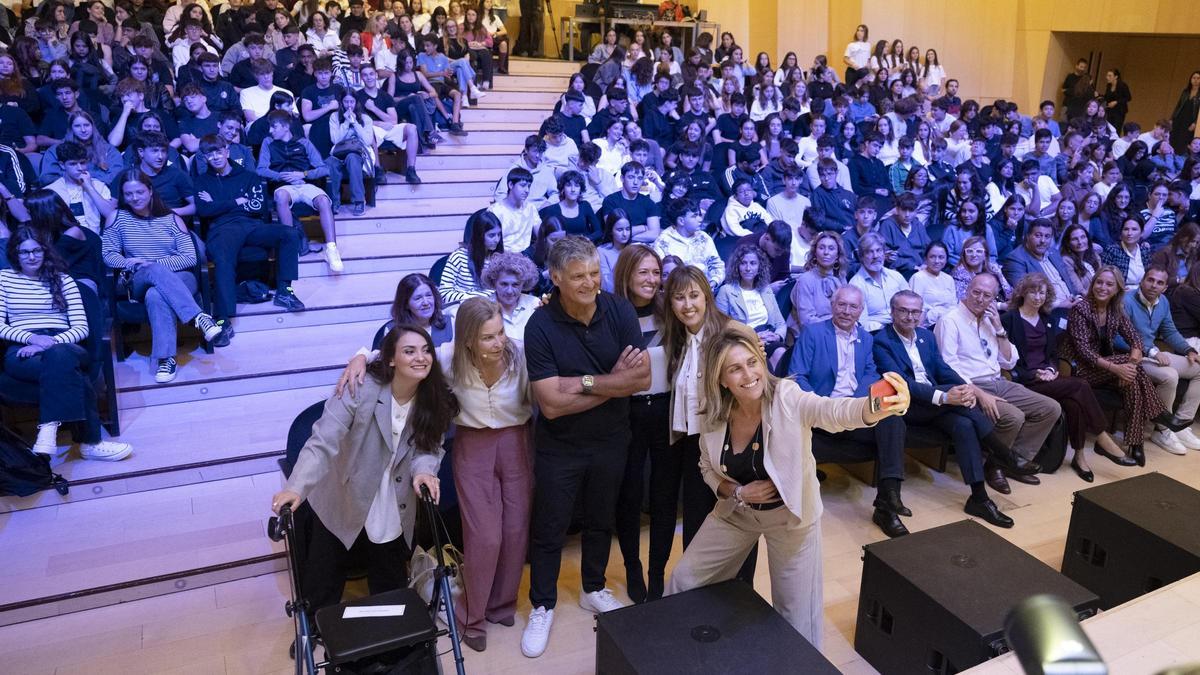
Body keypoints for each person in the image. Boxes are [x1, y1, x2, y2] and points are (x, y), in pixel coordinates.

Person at [668, 320, 907, 645]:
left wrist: (877, 406)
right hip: (737, 514)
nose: (748, 374)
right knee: (683, 581)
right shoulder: (712, 411)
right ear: (721, 379)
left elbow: (832, 412)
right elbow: (707, 468)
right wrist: (738, 492)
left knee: (795, 616)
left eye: (752, 362)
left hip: (790, 519)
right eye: (735, 369)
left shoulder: (787, 397)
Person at [270, 325, 457, 633]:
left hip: (394, 497)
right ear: (392, 359)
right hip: (344, 490)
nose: (420, 358)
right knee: (324, 573)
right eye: (409, 351)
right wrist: (296, 486)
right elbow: (323, 441)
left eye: (426, 351)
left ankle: (388, 637)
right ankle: (313, 631)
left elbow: (429, 448)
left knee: (389, 574)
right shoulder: (361, 387)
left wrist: (424, 470)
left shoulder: (432, 397)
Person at [520, 236, 650, 659]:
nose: (590, 283)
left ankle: (593, 587)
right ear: (555, 278)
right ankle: (542, 603)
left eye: (595, 273)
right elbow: (553, 406)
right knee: (550, 527)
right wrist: (614, 382)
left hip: (612, 439)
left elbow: (641, 380)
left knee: (600, 519)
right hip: (560, 446)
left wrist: (586, 382)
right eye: (578, 276)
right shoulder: (539, 326)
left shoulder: (619, 309)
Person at [873, 291, 1015, 523]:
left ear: (921, 314)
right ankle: (1004, 453)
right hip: (908, 406)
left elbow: (941, 368)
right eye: (903, 311)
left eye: (915, 311)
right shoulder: (882, 341)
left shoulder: (925, 336)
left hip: (935, 406)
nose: (910, 316)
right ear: (892, 312)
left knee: (964, 424)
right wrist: (946, 397)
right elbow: (902, 384)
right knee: (963, 409)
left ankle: (979, 499)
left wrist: (965, 387)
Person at [789, 285, 914, 538]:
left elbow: (869, 373)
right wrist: (824, 406)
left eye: (853, 306)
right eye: (841, 305)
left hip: (853, 413)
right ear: (832, 306)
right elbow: (796, 376)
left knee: (892, 420)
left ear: (861, 310)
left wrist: (855, 404)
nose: (846, 311)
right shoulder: (812, 334)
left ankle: (887, 502)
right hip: (820, 414)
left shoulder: (866, 338)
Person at [2, 227, 132, 461]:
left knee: (60, 355)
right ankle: (91, 443)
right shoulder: (4, 279)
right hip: (23, 347)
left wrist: (47, 343)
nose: (31, 257)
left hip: (66, 343)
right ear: (15, 254)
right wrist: (32, 339)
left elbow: (81, 328)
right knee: (71, 373)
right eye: (24, 252)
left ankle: (48, 428)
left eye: (36, 250)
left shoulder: (64, 280)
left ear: (45, 251)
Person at [1003, 273, 1135, 481]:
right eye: (1033, 292)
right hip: (1024, 380)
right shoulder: (1009, 319)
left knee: (1074, 403)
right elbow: (1005, 358)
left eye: (1042, 293)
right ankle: (1103, 439)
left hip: (1048, 378)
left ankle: (1080, 457)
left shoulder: (1046, 319)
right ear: (1022, 292)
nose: (1038, 297)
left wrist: (1053, 369)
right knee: (1080, 386)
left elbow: (1053, 354)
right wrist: (1034, 373)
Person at [935, 273, 1059, 486]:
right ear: (967, 290)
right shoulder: (950, 320)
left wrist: (1000, 329)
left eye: (987, 296)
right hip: (970, 385)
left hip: (998, 380)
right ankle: (998, 466)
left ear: (993, 299)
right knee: (1014, 417)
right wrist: (979, 394)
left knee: (1050, 408)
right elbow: (947, 368)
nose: (980, 299)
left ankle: (1007, 462)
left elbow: (1009, 362)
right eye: (976, 292)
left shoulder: (990, 320)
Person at [101, 170, 223, 383]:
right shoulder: (117, 218)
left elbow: (189, 257)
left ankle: (165, 359)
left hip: (179, 278)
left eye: (139, 192)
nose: (135, 198)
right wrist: (130, 263)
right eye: (128, 194)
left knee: (156, 295)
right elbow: (108, 254)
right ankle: (199, 317)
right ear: (122, 195)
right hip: (137, 277)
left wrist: (155, 264)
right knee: (153, 272)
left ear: (150, 191)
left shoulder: (171, 218)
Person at [1064, 266, 1186, 467]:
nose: (1102, 287)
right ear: (1093, 283)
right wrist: (1117, 368)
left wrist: (1129, 363)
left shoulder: (1115, 309)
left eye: (1109, 284)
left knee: (1132, 379)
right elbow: (1084, 352)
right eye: (1099, 282)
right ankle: (1155, 417)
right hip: (1081, 369)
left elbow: (1135, 339)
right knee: (1134, 371)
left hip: (1105, 367)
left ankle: (1136, 442)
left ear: (1117, 289)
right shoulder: (1081, 309)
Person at [195, 134, 304, 346]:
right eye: (210, 154)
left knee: (289, 234)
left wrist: (219, 203)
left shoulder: (248, 176)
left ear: (227, 151)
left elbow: (258, 206)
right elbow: (204, 210)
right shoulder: (202, 181)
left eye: (219, 151)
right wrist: (237, 201)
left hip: (252, 226)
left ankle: (284, 290)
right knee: (223, 259)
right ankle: (222, 319)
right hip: (222, 229)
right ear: (205, 157)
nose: (215, 157)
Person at [609, 245, 673, 603]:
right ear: (627, 274)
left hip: (666, 411)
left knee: (663, 497)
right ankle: (633, 568)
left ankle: (658, 572)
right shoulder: (611, 314)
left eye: (656, 272)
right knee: (629, 496)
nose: (651, 279)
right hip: (627, 413)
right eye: (643, 272)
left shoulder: (669, 311)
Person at [1124, 266, 1200, 452]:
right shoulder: (1126, 301)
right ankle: (1162, 429)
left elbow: (1169, 331)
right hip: (1131, 357)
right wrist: (1151, 351)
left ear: (1165, 287)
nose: (1153, 285)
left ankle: (1181, 423)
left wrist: (1188, 349)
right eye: (1150, 280)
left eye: (1159, 282)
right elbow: (1118, 338)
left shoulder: (1163, 301)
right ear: (1142, 280)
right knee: (1170, 375)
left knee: (1199, 367)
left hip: (1153, 355)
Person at [256, 110, 342, 271]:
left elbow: (324, 169)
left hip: (305, 184)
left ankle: (331, 249)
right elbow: (260, 169)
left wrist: (303, 174)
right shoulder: (268, 143)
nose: (270, 131)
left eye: (274, 127)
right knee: (281, 196)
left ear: (286, 126)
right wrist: (281, 176)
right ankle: (291, 246)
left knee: (323, 200)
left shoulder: (303, 142)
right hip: (284, 186)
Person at [716, 243, 787, 369]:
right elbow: (719, 328)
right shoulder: (726, 291)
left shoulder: (766, 290)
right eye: (743, 263)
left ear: (759, 267)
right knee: (763, 361)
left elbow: (780, 323)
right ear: (737, 266)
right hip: (742, 340)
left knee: (781, 353)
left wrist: (777, 336)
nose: (748, 268)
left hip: (767, 338)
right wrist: (752, 336)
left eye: (753, 263)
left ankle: (777, 387)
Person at [1003, 219, 1080, 307]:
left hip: (1071, 305)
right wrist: (1060, 305)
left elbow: (1068, 281)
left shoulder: (1054, 253)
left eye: (1047, 236)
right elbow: (1024, 293)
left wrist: (1077, 297)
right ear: (1027, 236)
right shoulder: (1015, 259)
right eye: (1038, 236)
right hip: (1047, 312)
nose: (1043, 240)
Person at [44, 140, 115, 234]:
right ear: (62, 165)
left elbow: (111, 215)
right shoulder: (51, 191)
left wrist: (89, 187)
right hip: (66, 239)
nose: (80, 168)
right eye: (73, 164)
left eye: (82, 163)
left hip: (95, 239)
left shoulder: (98, 186)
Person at [652, 197, 723, 289]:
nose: (700, 219)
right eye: (694, 216)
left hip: (706, 289)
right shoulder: (663, 241)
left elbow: (716, 265)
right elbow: (662, 275)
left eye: (699, 215)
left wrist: (713, 283)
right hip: (676, 292)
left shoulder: (704, 237)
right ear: (681, 221)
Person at [789, 230, 848, 335]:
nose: (826, 252)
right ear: (815, 253)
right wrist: (838, 326)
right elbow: (806, 321)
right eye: (821, 248)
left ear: (838, 255)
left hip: (840, 331)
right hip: (813, 335)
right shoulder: (805, 280)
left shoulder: (841, 279)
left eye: (831, 248)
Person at [326, 90, 375, 216]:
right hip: (339, 152)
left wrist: (355, 123)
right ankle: (334, 202)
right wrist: (346, 122)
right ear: (341, 103)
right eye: (346, 102)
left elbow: (368, 141)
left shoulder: (365, 119)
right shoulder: (334, 117)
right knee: (331, 162)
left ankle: (359, 201)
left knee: (352, 158)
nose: (349, 105)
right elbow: (335, 140)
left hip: (358, 153)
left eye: (352, 102)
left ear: (356, 102)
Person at [849, 232, 908, 331]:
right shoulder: (856, 285)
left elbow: (911, 302)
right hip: (877, 332)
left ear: (884, 253)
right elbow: (863, 323)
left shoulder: (895, 276)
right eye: (869, 252)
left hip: (903, 325)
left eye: (878, 250)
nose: (875, 256)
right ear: (862, 257)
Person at [478, 252, 540, 340]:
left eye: (515, 285)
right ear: (493, 282)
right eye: (504, 284)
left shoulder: (534, 304)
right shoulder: (482, 308)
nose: (509, 291)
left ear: (524, 284)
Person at [488, 166, 539, 254]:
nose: (527, 190)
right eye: (523, 186)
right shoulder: (495, 211)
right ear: (510, 185)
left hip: (526, 256)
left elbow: (541, 234)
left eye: (529, 186)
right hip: (502, 256)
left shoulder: (531, 208)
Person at [908, 242, 957, 327]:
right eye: (932, 257)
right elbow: (916, 308)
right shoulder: (918, 278)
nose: (937, 261)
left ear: (946, 259)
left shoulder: (949, 279)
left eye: (941, 257)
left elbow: (953, 306)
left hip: (948, 322)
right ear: (926, 259)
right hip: (926, 325)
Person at [1100, 215, 1151, 286]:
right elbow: (1103, 276)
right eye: (1126, 229)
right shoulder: (1112, 250)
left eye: (1134, 229)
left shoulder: (1144, 251)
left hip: (1142, 290)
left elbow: (1149, 275)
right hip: (1120, 291)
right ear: (1121, 232)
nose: (1129, 233)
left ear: (1141, 232)